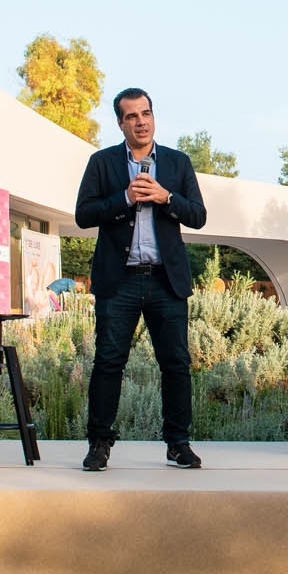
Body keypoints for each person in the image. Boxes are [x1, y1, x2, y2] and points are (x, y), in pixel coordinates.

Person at [75, 87, 208, 472]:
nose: (141, 122)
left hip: (166, 281)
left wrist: (166, 197)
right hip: (119, 281)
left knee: (176, 364)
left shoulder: (178, 163)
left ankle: (178, 443)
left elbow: (198, 216)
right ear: (120, 123)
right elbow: (83, 215)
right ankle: (99, 443)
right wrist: (125, 199)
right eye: (131, 116)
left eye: (145, 113)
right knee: (108, 362)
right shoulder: (102, 163)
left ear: (153, 116)